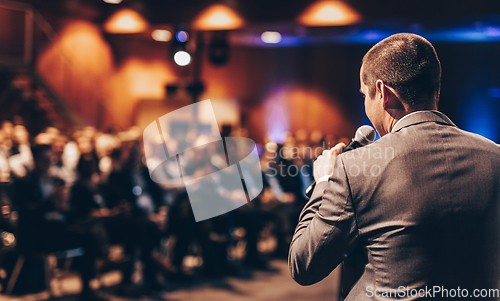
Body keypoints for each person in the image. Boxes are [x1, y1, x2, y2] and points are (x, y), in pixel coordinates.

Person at [289, 33, 500, 300]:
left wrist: (323, 183)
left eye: (365, 95)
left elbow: (304, 265)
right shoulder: (495, 157)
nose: (366, 104)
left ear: (382, 93)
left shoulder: (356, 167)